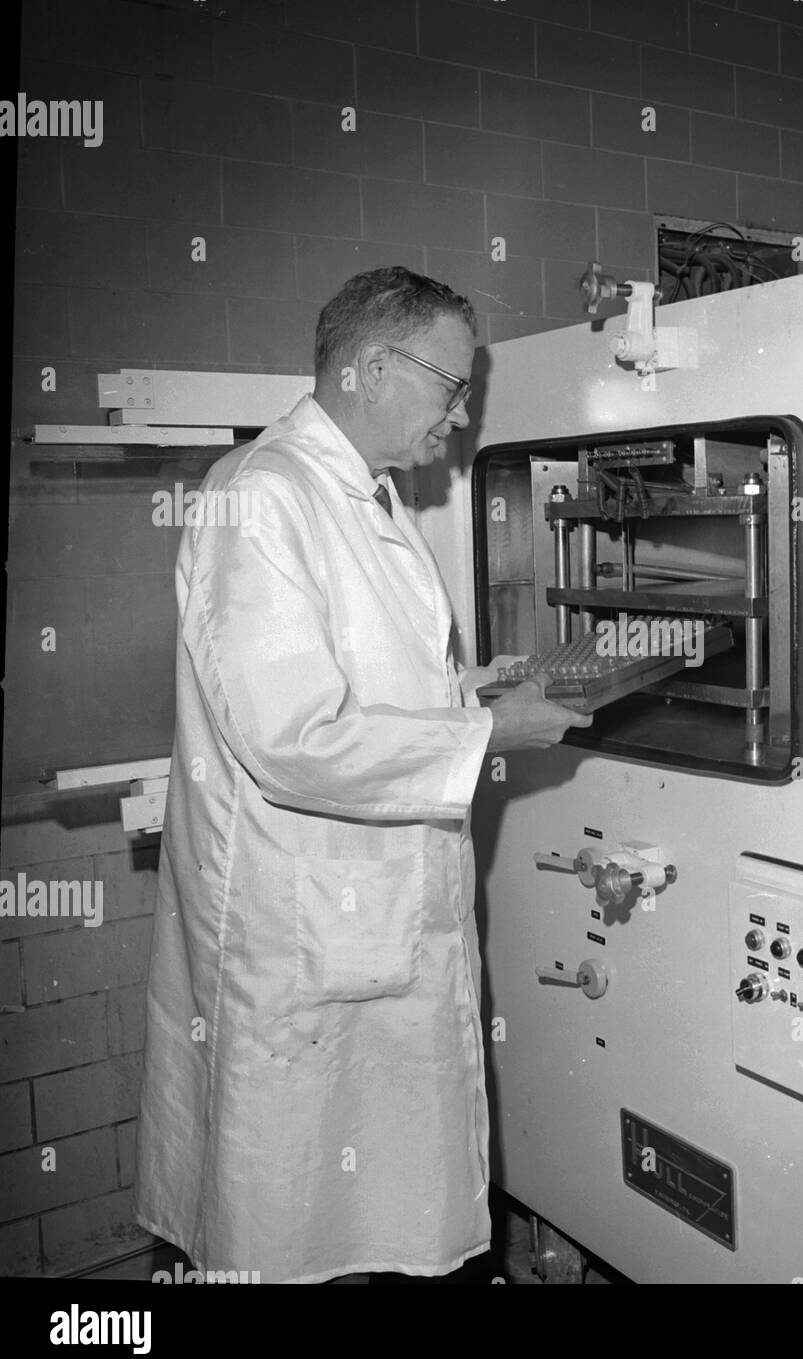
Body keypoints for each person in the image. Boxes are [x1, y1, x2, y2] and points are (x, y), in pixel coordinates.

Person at [133, 266, 589, 1283]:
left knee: (374, 1212)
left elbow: (349, 681)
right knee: (287, 1221)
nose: (461, 416)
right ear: (368, 366)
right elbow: (288, 736)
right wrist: (486, 739)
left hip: (368, 914)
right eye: (450, 385)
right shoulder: (261, 496)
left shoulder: (363, 498)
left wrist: (462, 696)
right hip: (301, 937)